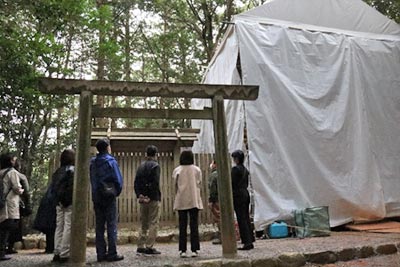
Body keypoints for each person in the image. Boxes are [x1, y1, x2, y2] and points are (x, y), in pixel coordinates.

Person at [90, 138, 124, 262]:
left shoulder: (93, 163)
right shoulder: (111, 161)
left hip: (97, 197)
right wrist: (115, 192)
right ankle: (112, 252)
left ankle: (100, 253)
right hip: (109, 197)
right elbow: (118, 180)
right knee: (111, 224)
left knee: (99, 226)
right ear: (108, 147)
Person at [172, 150, 203, 258]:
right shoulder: (196, 170)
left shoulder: (177, 170)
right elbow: (199, 183)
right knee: (194, 226)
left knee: (182, 226)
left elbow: (175, 185)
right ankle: (195, 249)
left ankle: (182, 250)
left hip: (181, 200)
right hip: (194, 200)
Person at [134, 145, 161, 255]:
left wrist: (140, 195)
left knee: (143, 222)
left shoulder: (140, 166)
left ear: (146, 154)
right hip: (153, 198)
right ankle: (149, 246)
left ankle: (140, 245)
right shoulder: (155, 166)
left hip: (142, 198)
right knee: (153, 222)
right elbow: (155, 183)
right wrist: (150, 196)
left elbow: (136, 182)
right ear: (156, 154)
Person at [52, 149, 75, 263]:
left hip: (58, 202)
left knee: (59, 226)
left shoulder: (57, 172)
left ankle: (57, 251)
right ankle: (65, 253)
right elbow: (71, 188)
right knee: (68, 226)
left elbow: (53, 188)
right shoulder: (72, 171)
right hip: (68, 202)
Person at [0, 152, 24, 261]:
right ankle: (2, 251)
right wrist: (22, 191)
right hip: (9, 203)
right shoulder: (12, 172)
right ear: (10, 161)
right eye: (14, 159)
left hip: (1, 201)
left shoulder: (1, 172)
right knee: (6, 227)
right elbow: (17, 188)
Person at [6, 159, 32, 254]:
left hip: (6, 202)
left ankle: (5, 245)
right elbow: (26, 192)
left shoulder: (3, 174)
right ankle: (9, 246)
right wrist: (28, 205)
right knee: (14, 225)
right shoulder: (20, 176)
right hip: (16, 203)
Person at [231, 149, 254, 250]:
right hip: (245, 193)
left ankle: (247, 241)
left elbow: (232, 183)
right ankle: (250, 238)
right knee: (246, 217)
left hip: (238, 195)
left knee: (241, 219)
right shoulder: (245, 170)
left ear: (236, 159)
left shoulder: (235, 170)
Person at [208, 160, 221, 245]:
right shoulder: (224, 173)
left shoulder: (214, 175)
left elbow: (212, 188)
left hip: (216, 199)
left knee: (218, 218)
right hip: (223, 198)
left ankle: (221, 237)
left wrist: (211, 201)